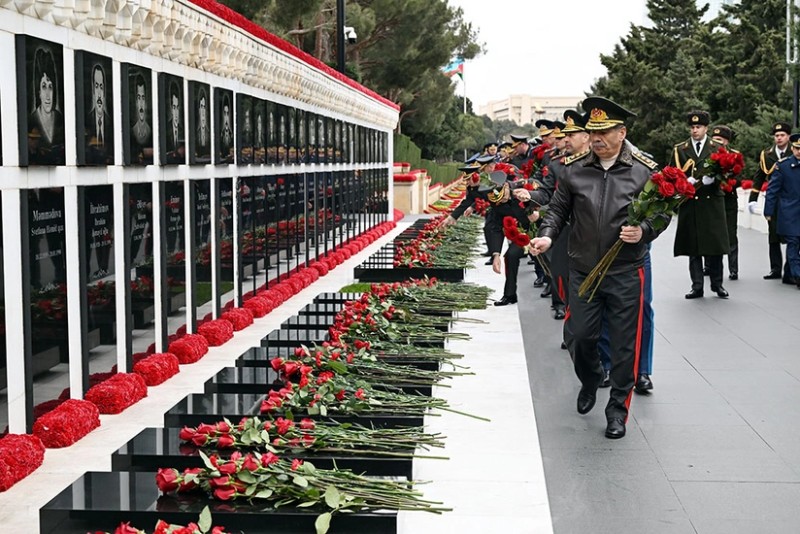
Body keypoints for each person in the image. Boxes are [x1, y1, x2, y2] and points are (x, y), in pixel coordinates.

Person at [530, 97, 669, 439]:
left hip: (626, 271)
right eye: (593, 132)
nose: (597, 139)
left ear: (622, 133)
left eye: (604, 132)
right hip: (583, 270)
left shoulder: (644, 170)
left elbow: (661, 213)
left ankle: (617, 409)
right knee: (579, 336)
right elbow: (558, 210)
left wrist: (644, 230)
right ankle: (591, 377)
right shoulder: (574, 169)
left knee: (624, 346)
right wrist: (546, 236)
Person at [672, 111, 729, 299]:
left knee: (715, 247)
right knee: (693, 247)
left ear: (706, 128)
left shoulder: (717, 147)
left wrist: (715, 180)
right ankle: (697, 286)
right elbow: (672, 172)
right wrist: (682, 182)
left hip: (711, 203)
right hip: (691, 202)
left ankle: (717, 284)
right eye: (692, 127)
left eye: (698, 127)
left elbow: (727, 173)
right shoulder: (681, 149)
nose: (695, 130)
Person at [749, 122, 794, 283]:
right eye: (776, 135)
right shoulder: (767, 154)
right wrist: (753, 199)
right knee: (773, 236)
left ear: (788, 136)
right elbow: (759, 177)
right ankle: (775, 268)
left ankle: (790, 270)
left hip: (792, 200)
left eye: (782, 135)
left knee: (793, 236)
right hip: (774, 200)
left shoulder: (795, 151)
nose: (779, 138)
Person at [764, 133, 800, 289]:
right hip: (789, 212)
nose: (799, 151)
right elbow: (772, 190)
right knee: (793, 243)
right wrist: (768, 211)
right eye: (797, 148)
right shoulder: (783, 166)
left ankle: (789, 274)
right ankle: (798, 275)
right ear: (792, 148)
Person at [709, 125, 741, 279]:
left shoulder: (735, 156)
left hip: (728, 200)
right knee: (710, 233)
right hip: (711, 200)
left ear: (726, 141)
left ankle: (733, 268)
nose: (716, 142)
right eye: (714, 139)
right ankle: (709, 266)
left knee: (730, 234)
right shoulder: (708, 155)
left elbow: (740, 178)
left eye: (720, 140)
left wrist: (728, 182)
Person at [28, 45, 65, 165]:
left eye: (50, 87)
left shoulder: (59, 118)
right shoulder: (32, 118)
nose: (48, 95)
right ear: (38, 92)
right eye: (44, 87)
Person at [86, 63, 112, 163]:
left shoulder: (109, 120)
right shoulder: (88, 118)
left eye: (101, 87)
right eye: (96, 86)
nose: (99, 93)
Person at [196, 87, 210, 155]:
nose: (203, 110)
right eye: (201, 107)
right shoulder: (195, 129)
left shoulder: (209, 130)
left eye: (204, 107)